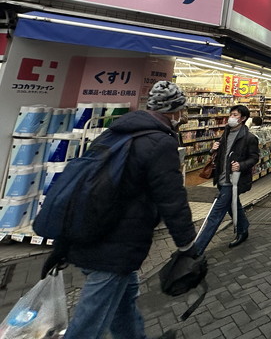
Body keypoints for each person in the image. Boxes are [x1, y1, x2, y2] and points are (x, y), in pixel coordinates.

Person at [59, 81, 197, 339]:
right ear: (174, 111)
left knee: (124, 301)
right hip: (115, 243)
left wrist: (62, 239)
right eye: (181, 110)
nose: (182, 116)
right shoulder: (160, 142)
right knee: (90, 320)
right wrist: (187, 243)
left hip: (90, 230)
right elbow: (171, 197)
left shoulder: (114, 132)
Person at [194, 104, 260, 252]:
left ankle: (197, 249)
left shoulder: (249, 138)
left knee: (215, 214)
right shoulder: (225, 133)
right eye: (231, 114)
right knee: (233, 205)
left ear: (243, 118)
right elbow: (220, 155)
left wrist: (241, 165)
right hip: (221, 177)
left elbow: (254, 158)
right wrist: (213, 149)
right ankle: (243, 229)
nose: (231, 117)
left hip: (233, 181)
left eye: (235, 115)